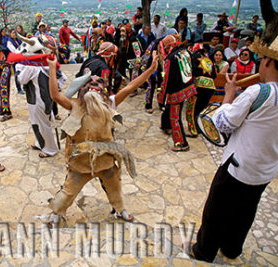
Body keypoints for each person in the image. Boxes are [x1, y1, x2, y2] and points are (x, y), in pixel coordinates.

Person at [45, 46, 159, 226]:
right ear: (82, 90)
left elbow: (130, 87)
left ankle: (120, 209)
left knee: (115, 188)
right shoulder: (74, 105)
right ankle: (57, 212)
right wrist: (52, 68)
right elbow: (55, 95)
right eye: (90, 84)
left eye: (98, 84)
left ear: (104, 91)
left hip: (105, 161)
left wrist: (150, 70)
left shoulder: (110, 104)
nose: (94, 86)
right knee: (68, 192)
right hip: (80, 163)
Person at [191, 34, 278, 263]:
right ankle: (231, 248)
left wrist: (228, 95)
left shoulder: (259, 92)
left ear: (267, 62)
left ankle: (204, 250)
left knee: (216, 210)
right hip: (265, 170)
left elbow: (223, 123)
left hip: (239, 166)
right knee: (246, 211)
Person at [159, 32, 197, 151]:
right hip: (188, 87)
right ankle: (168, 127)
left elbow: (166, 79)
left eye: (165, 47)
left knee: (175, 118)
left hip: (176, 92)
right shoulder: (185, 52)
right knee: (177, 114)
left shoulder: (170, 58)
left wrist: (161, 97)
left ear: (169, 46)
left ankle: (181, 143)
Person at [186, 43, 217, 137]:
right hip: (211, 87)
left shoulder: (194, 57)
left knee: (193, 109)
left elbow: (191, 71)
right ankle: (201, 129)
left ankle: (193, 130)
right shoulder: (208, 59)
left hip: (199, 85)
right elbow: (214, 75)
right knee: (202, 108)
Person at [6, 28, 24, 94]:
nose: (14, 34)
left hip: (21, 59)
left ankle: (24, 86)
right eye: (13, 33)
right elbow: (14, 51)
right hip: (15, 60)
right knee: (17, 73)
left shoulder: (18, 40)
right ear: (10, 34)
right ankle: (19, 88)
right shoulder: (9, 42)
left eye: (15, 33)